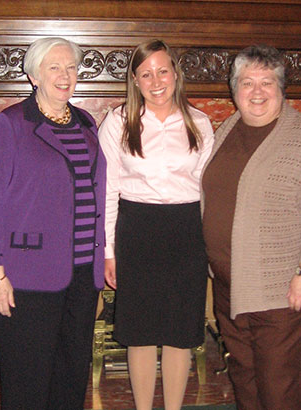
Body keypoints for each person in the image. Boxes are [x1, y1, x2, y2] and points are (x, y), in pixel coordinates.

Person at [201, 45, 301, 410]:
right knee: (245, 377)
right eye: (247, 82)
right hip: (231, 286)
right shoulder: (229, 129)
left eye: (267, 82)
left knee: (278, 384)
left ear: (282, 88)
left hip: (282, 291)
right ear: (234, 90)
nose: (257, 91)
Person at [0, 37, 106, 410]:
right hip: (25, 276)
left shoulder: (86, 123)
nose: (65, 76)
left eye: (71, 67)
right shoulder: (11, 124)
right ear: (33, 76)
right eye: (54, 67)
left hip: (81, 274)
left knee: (70, 377)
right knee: (26, 381)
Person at [99, 39, 214, 410]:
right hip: (137, 230)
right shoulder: (118, 122)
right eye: (146, 73)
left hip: (186, 231)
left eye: (163, 70)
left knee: (181, 333)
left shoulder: (199, 123)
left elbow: (207, 190)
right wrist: (109, 251)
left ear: (176, 74)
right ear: (135, 80)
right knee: (141, 332)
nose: (156, 79)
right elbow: (109, 191)